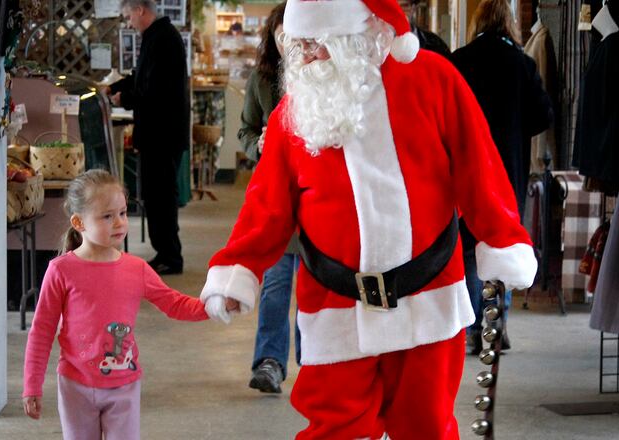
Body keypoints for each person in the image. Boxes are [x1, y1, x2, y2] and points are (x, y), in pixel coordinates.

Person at [201, 0, 537, 437]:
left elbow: (480, 167)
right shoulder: (294, 114)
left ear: (355, 37)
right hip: (335, 306)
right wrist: (238, 268)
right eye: (296, 44)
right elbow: (266, 205)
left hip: (428, 299)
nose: (303, 57)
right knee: (334, 429)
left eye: (316, 44)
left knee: (427, 425)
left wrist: (503, 238)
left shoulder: (433, 79)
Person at [22, 170, 217, 440]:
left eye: (123, 213)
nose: (119, 223)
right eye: (107, 216)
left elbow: (174, 303)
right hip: (75, 385)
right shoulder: (61, 270)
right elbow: (42, 330)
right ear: (79, 222)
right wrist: (32, 385)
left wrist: (214, 307)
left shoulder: (136, 269)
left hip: (124, 384)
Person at [451, 0, 553, 354]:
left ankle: (469, 327)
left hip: (465, 170)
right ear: (509, 23)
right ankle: (496, 325)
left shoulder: (459, 61)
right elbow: (544, 115)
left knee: (466, 248)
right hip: (508, 170)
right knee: (502, 243)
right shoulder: (522, 65)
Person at [237, 2, 300, 394]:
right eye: (280, 35)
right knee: (276, 284)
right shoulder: (261, 80)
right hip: (275, 196)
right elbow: (244, 130)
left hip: (317, 198)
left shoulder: (323, 75)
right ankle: (270, 361)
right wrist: (258, 146)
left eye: (292, 33)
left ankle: (315, 362)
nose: (287, 42)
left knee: (314, 285)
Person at [111, 0, 190, 275]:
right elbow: (142, 78)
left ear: (140, 10)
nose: (128, 22)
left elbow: (154, 89)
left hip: (162, 134)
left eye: (128, 16)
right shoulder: (157, 37)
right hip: (159, 133)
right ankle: (164, 252)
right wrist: (116, 87)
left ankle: (170, 255)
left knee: (161, 197)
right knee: (157, 196)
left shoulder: (162, 39)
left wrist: (126, 98)